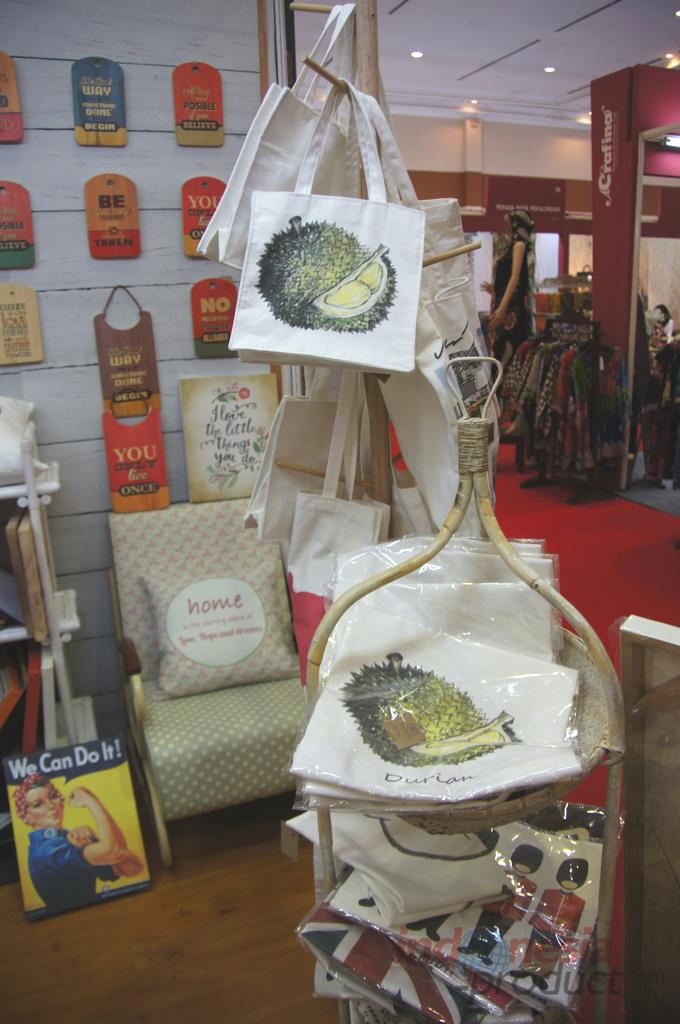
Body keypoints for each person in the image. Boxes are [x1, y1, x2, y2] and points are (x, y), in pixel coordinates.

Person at [12, 772, 144, 911]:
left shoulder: (66, 839)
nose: (50, 805)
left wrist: (94, 841)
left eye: (53, 796)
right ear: (26, 817)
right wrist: (92, 802)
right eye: (38, 804)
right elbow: (114, 852)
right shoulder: (47, 851)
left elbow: (131, 868)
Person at [482, 208, 536, 368]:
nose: (506, 228)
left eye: (508, 225)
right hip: (505, 307)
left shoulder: (519, 246)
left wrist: (502, 308)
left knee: (505, 353)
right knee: (498, 353)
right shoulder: (510, 248)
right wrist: (495, 292)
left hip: (511, 311)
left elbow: (515, 277)